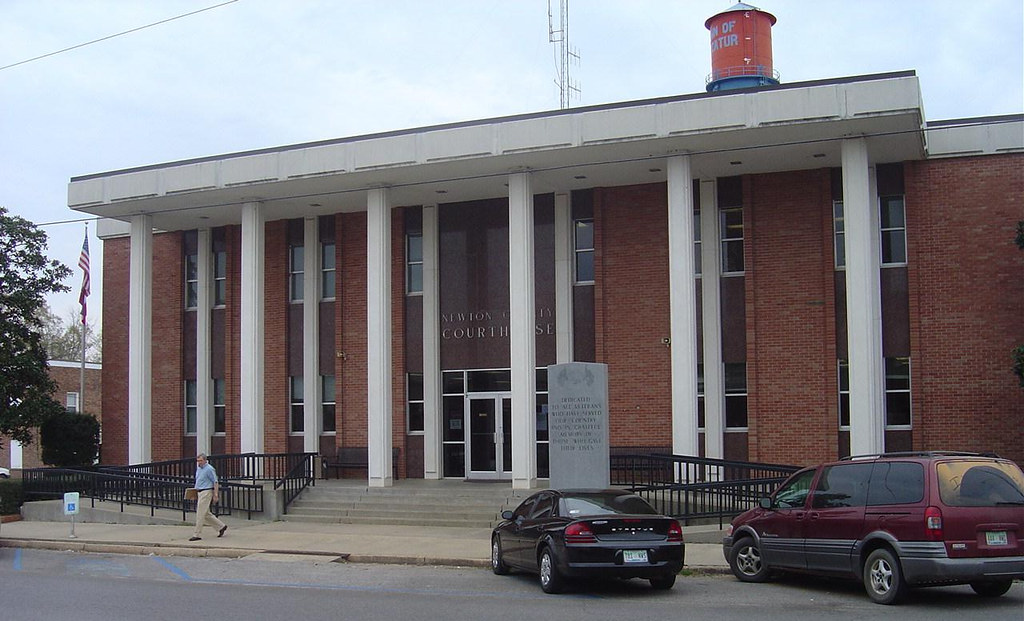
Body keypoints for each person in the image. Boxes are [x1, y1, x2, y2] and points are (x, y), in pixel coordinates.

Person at [190, 453, 227, 541]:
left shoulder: (209, 469)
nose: (199, 462)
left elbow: (215, 482)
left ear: (205, 460)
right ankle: (221, 526)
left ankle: (197, 534)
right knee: (206, 513)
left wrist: (215, 494)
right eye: (198, 460)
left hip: (206, 491)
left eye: (201, 460)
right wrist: (194, 493)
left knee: (200, 513)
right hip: (199, 491)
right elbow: (198, 481)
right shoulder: (199, 468)